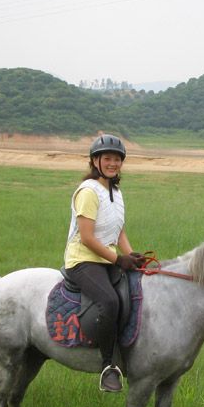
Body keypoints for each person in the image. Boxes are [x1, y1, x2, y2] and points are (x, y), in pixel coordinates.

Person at [63, 133, 145, 392]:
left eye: (117, 159)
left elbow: (118, 230)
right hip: (83, 261)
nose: (113, 163)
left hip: (106, 259)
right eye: (107, 158)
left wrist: (132, 256)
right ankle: (108, 365)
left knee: (135, 292)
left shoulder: (116, 191)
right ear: (95, 161)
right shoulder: (88, 192)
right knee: (109, 300)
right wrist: (119, 259)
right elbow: (87, 238)